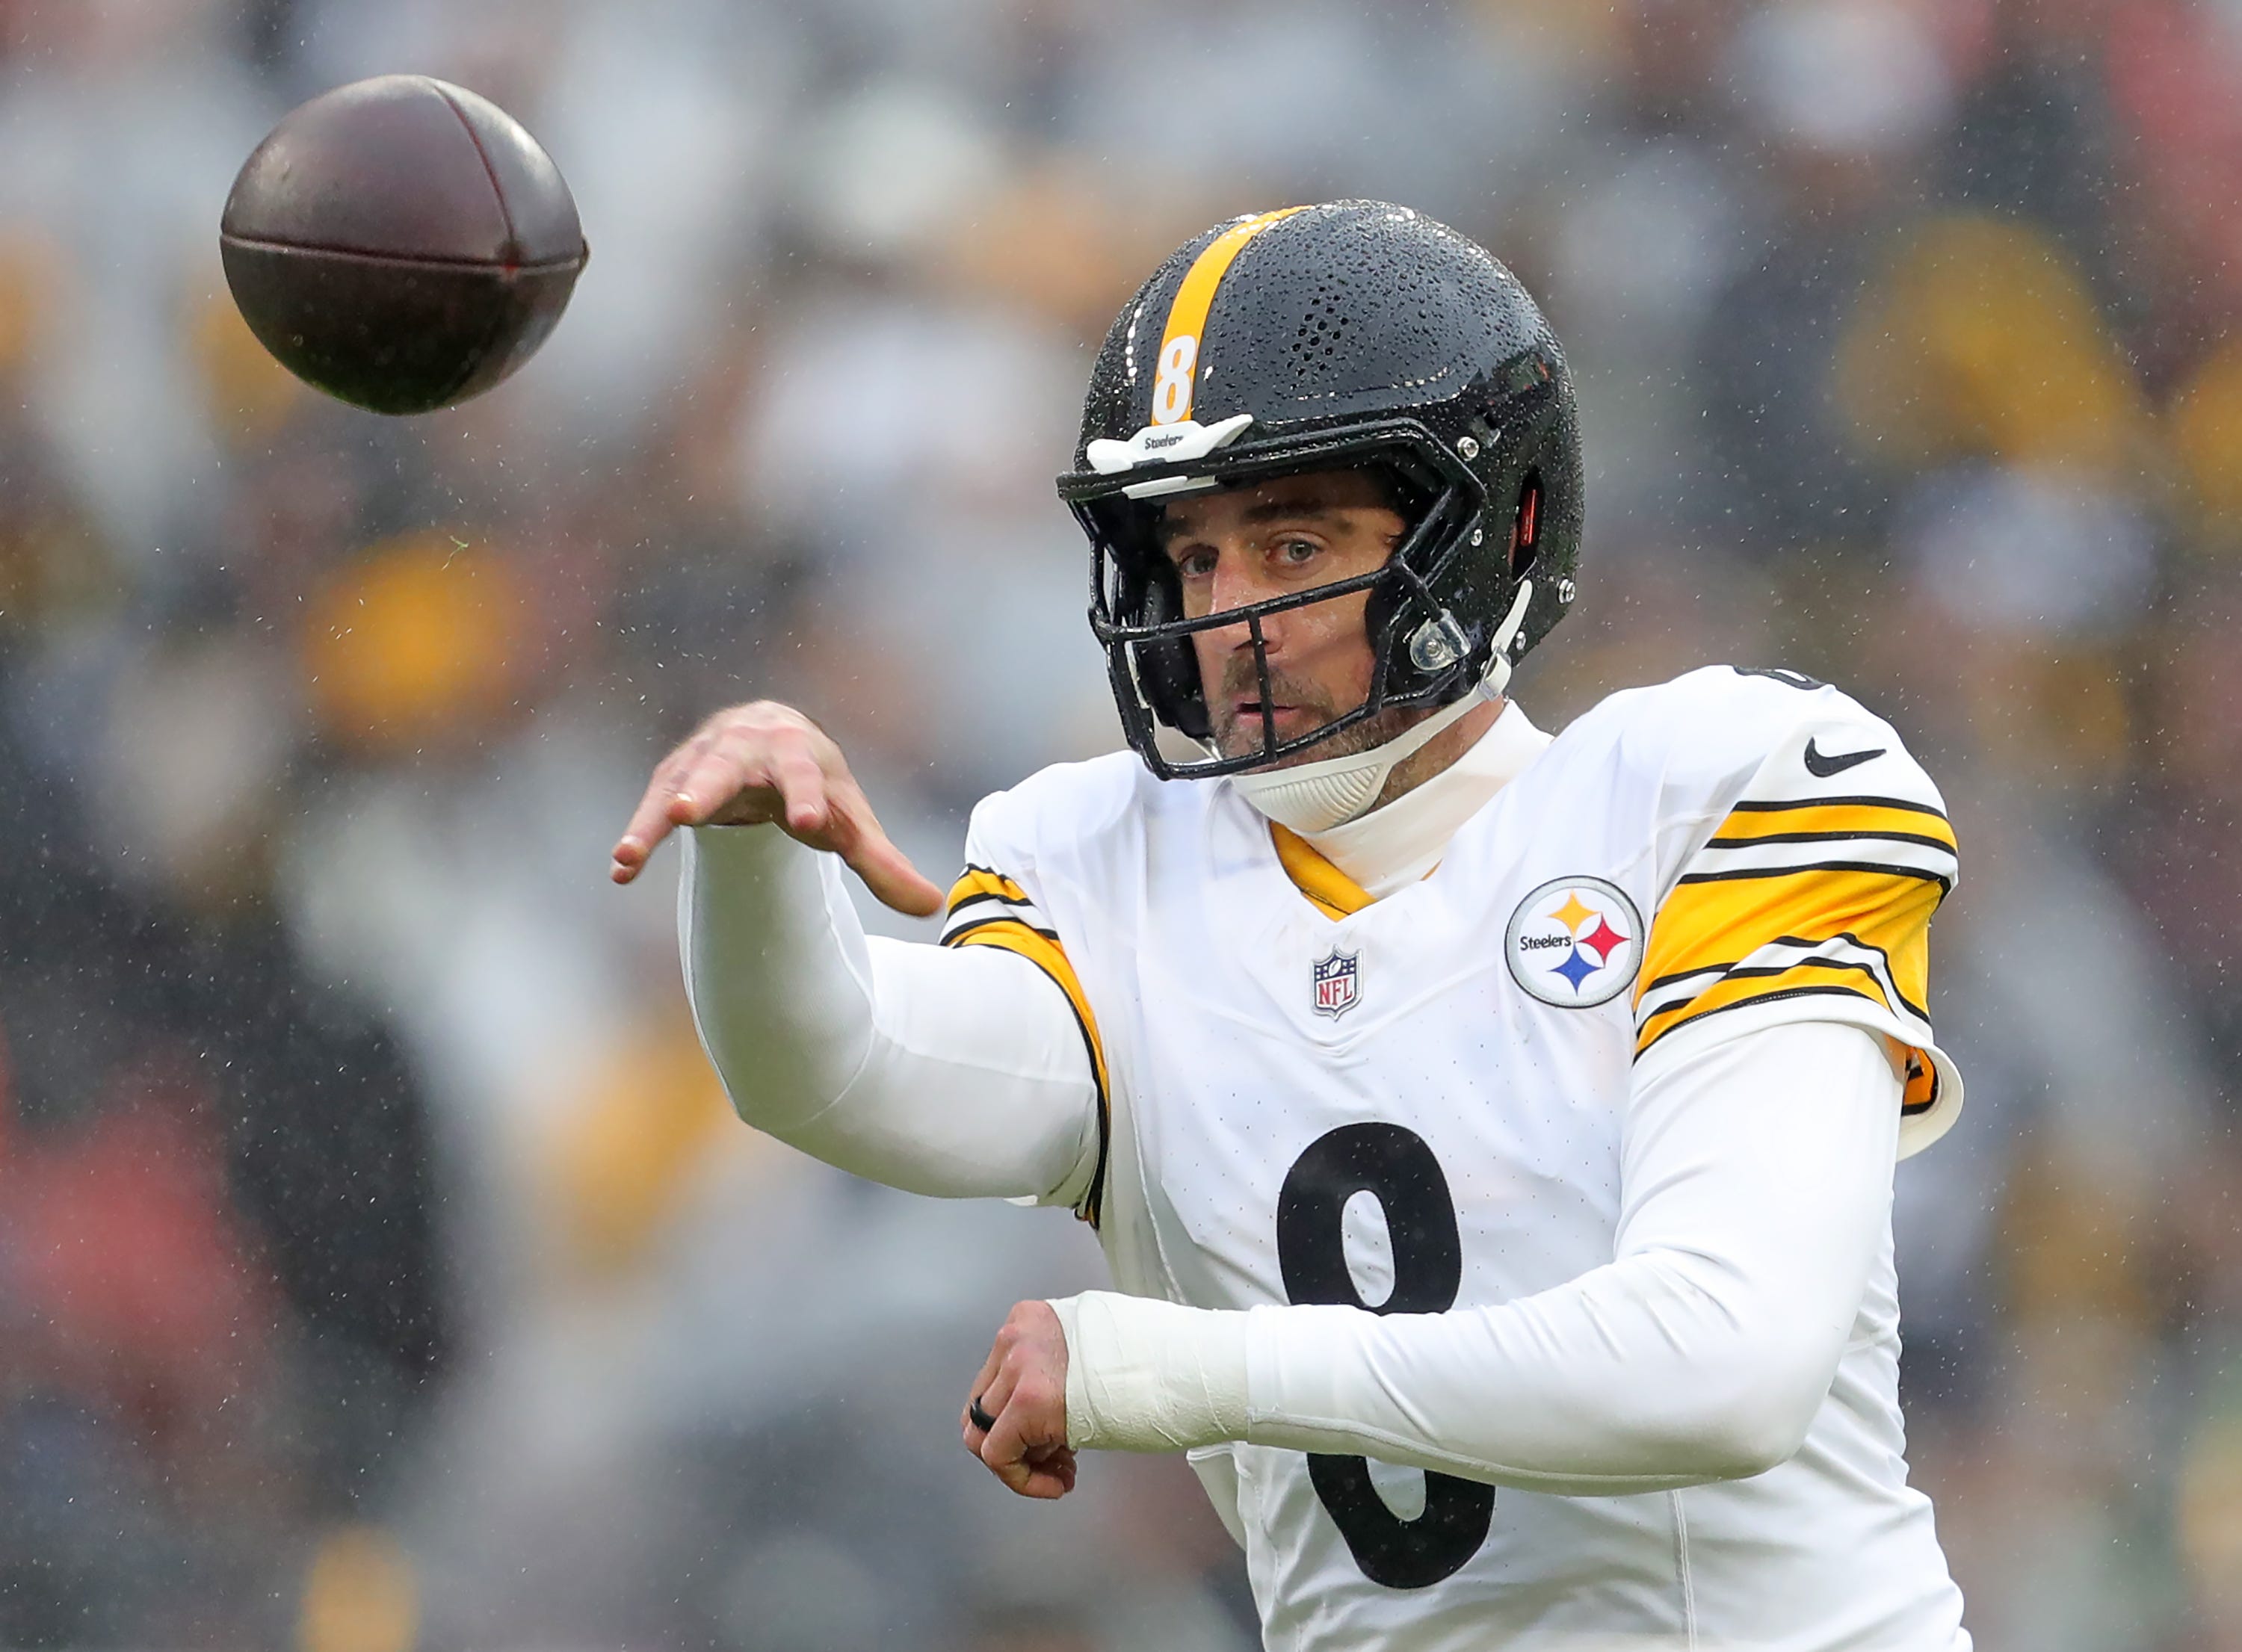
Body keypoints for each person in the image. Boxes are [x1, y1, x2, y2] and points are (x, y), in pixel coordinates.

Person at [611, 202, 1971, 1651]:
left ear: (1485, 529)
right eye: (1195, 560)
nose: (1227, 617)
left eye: (1293, 539)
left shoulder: (1714, 792)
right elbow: (835, 1071)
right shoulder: (1106, 862)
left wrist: (1178, 1369)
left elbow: (1725, 1364)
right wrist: (755, 860)